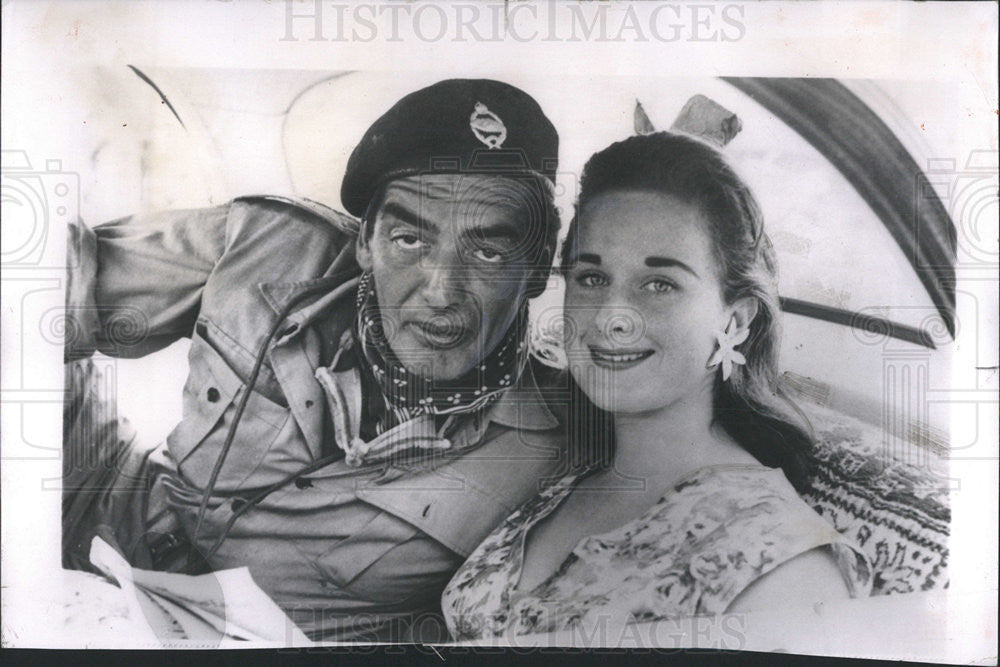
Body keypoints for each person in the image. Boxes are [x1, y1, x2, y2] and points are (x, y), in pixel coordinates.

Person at [62, 78, 570, 641]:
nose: (441, 290)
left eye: (489, 250)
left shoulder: (566, 440)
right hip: (100, 510)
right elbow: (58, 285)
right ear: (364, 241)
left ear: (541, 267)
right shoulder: (270, 244)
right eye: (409, 240)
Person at [441, 132, 873, 641]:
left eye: (659, 285)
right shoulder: (575, 476)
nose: (610, 319)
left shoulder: (780, 571)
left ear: (735, 320)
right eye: (591, 278)